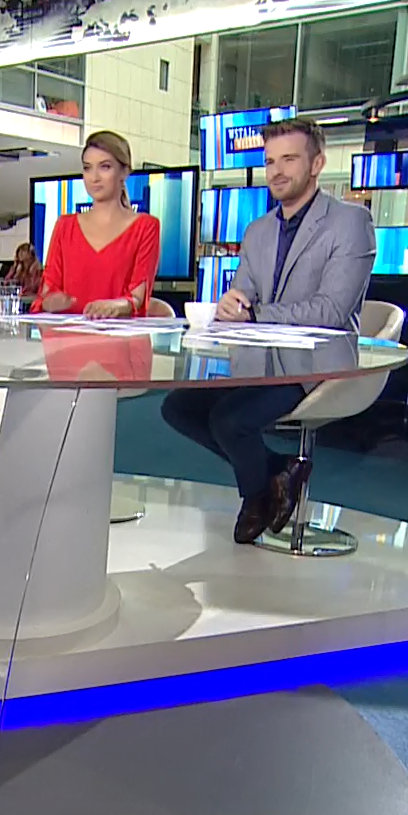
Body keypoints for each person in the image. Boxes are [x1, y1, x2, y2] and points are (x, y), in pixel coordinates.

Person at [160, 116, 375, 545]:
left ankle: (256, 495)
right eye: (270, 161)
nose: (276, 171)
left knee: (230, 420)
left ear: (317, 164)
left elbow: (332, 311)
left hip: (318, 362)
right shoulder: (258, 231)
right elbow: (245, 294)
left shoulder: (350, 222)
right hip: (261, 359)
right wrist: (232, 303)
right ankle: (276, 471)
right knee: (178, 407)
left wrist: (256, 314)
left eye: (289, 159)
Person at [34, 130, 160, 318]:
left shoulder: (146, 227)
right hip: (69, 333)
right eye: (87, 168)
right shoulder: (65, 226)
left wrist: (117, 306)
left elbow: (137, 298)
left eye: (105, 167)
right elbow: (47, 292)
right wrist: (53, 302)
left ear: (124, 172)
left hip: (118, 334)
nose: (94, 177)